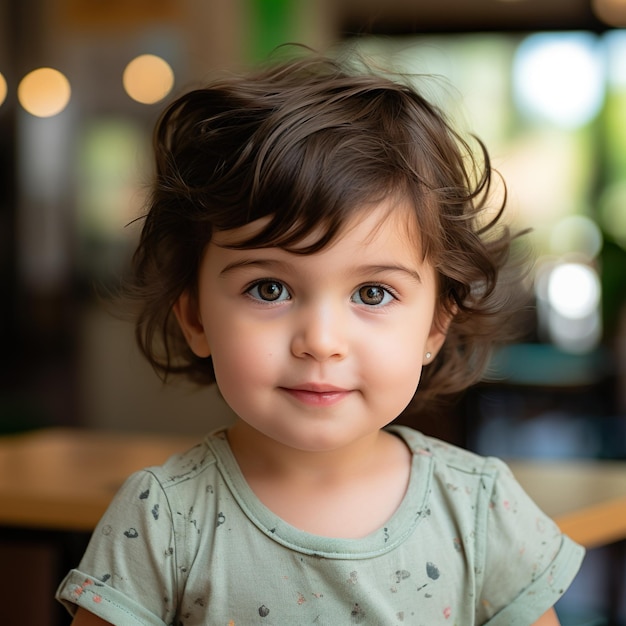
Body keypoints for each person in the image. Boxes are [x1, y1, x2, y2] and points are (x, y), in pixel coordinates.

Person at [56, 50, 584, 625]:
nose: (320, 341)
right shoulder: (161, 518)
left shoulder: (482, 510)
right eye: (268, 289)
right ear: (197, 319)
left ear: (436, 324)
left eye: (372, 294)